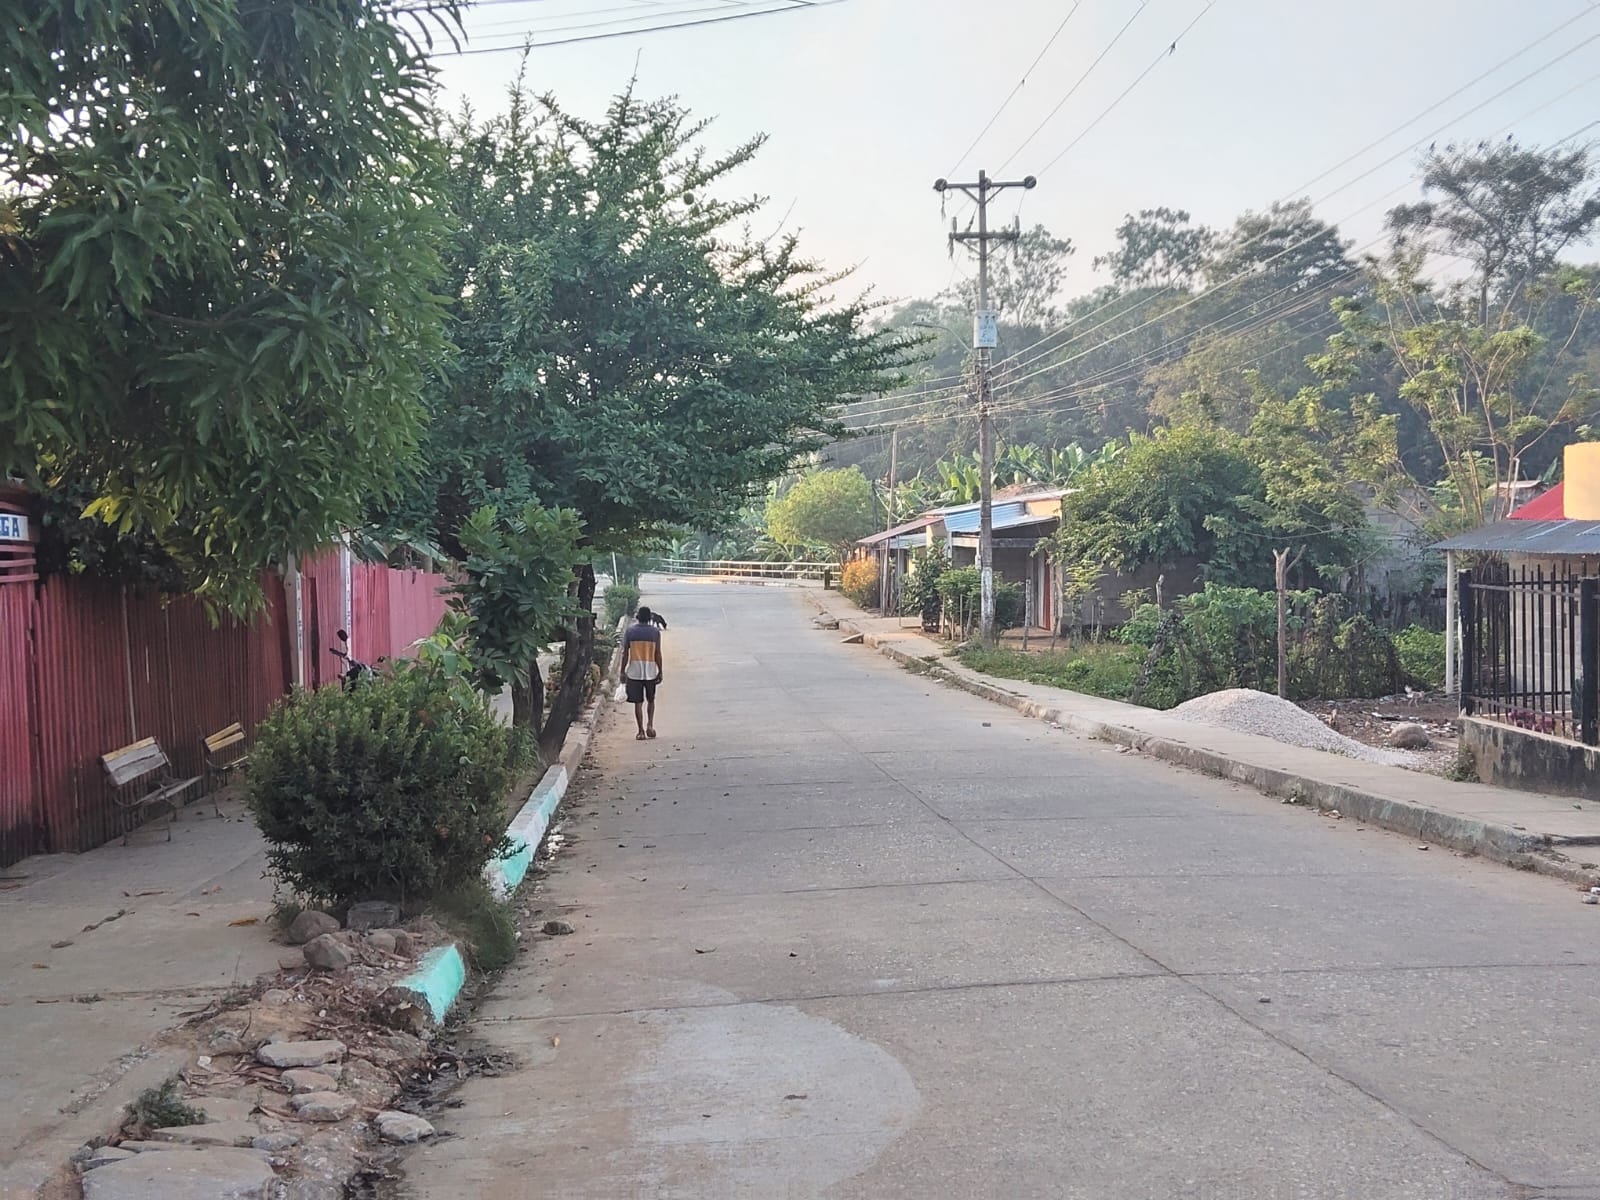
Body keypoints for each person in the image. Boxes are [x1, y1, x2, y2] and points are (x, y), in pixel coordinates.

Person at [622, 605, 664, 740]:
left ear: (638, 617)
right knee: (651, 700)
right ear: (650, 618)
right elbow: (658, 653)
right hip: (650, 672)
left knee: (638, 703)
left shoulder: (630, 632)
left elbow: (625, 654)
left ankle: (640, 731)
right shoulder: (655, 632)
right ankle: (650, 725)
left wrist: (622, 671)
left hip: (634, 672)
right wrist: (660, 671)